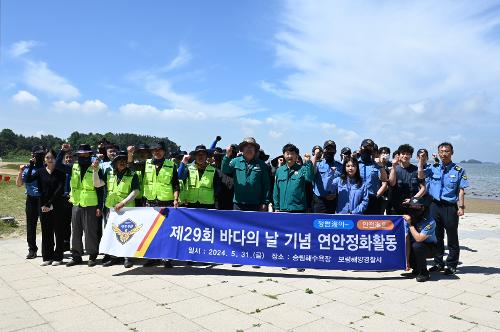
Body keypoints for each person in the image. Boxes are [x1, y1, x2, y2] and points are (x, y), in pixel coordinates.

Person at [421, 142, 469, 275]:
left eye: (446, 151)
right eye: (441, 151)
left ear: (452, 153)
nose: (444, 153)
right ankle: (438, 262)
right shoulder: (433, 168)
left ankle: (451, 264)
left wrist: (461, 207)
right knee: (437, 236)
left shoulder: (459, 170)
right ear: (438, 153)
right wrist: (422, 161)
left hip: (449, 207)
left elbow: (461, 190)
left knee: (452, 236)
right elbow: (420, 176)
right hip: (434, 205)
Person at [56, 143, 103, 267]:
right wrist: (62, 151)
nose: (83, 155)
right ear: (78, 155)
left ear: (89, 154)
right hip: (76, 203)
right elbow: (58, 165)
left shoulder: (96, 167)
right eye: (81, 154)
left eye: (86, 153)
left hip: (91, 204)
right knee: (76, 231)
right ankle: (76, 256)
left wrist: (99, 206)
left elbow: (100, 189)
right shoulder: (73, 167)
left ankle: (92, 255)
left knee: (90, 232)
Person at [93, 151, 139, 268]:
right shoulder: (109, 174)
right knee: (112, 233)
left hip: (126, 209)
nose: (122, 162)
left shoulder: (132, 174)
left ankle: (127, 257)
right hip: (111, 209)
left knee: (127, 233)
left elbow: (135, 191)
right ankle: (114, 257)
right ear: (115, 163)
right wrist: (94, 171)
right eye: (119, 160)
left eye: (124, 160)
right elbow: (97, 184)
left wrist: (123, 203)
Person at [142, 140, 180, 268]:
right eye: (154, 150)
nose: (157, 152)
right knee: (151, 231)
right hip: (151, 203)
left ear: (164, 151)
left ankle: (166, 258)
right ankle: (153, 257)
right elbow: (130, 166)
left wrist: (175, 199)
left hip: (166, 203)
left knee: (166, 231)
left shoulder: (171, 165)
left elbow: (176, 184)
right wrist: (130, 154)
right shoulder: (146, 164)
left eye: (159, 150)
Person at [26, 149, 67, 266]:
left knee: (58, 231)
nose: (49, 159)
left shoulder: (60, 172)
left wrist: (50, 203)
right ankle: (47, 257)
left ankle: (58, 257)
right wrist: (31, 165)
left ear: (55, 158)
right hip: (43, 204)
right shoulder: (40, 172)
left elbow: (60, 189)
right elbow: (28, 180)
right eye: (47, 157)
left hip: (57, 204)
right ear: (44, 159)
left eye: (52, 157)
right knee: (46, 231)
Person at [221, 137, 270, 211]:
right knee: (237, 223)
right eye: (246, 147)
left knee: (254, 223)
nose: (249, 149)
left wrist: (264, 202)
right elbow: (225, 170)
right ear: (242, 149)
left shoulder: (262, 165)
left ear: (255, 150)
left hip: (256, 204)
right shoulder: (235, 161)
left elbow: (266, 185)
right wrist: (227, 156)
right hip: (238, 204)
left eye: (251, 147)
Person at [16, 145, 45, 259]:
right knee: (31, 226)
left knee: (46, 225)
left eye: (41, 155)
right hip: (31, 200)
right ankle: (32, 249)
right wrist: (20, 171)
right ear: (32, 155)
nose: (39, 157)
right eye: (37, 154)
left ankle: (47, 248)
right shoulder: (27, 168)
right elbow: (19, 184)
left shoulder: (46, 168)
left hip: (43, 199)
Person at [401, 197, 437, 282]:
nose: (414, 209)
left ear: (423, 207)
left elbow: (419, 238)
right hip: (415, 244)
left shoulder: (429, 221)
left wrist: (410, 225)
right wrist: (406, 261)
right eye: (412, 207)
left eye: (417, 207)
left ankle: (424, 272)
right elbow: (407, 239)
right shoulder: (409, 218)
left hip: (431, 247)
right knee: (407, 245)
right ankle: (416, 268)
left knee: (417, 245)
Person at [273, 144, 314, 213]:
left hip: (298, 209)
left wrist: (308, 162)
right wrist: (276, 206)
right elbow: (276, 189)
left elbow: (309, 178)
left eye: (292, 154)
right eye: (287, 154)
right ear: (284, 155)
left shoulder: (302, 169)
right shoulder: (279, 170)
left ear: (297, 156)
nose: (290, 156)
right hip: (282, 209)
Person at [388, 144, 426, 215]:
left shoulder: (416, 170)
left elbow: (423, 189)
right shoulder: (394, 169)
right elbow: (392, 183)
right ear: (398, 155)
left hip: (412, 206)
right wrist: (393, 166)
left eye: (408, 154)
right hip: (396, 207)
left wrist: (412, 201)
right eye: (403, 154)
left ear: (411, 156)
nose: (405, 156)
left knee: (413, 225)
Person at [179, 145, 220, 209]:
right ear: (195, 157)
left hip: (208, 205)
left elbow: (217, 188)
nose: (200, 157)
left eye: (203, 155)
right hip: (191, 204)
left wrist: (216, 205)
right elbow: (180, 177)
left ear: (206, 156)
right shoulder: (189, 168)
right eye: (198, 155)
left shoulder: (213, 170)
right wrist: (183, 162)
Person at [357, 139, 388, 214]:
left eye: (370, 148)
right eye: (365, 147)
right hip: (357, 198)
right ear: (360, 148)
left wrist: (381, 166)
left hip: (372, 199)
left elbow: (384, 179)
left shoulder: (377, 164)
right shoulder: (355, 163)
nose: (367, 150)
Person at [312, 140, 343, 214]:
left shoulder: (340, 166)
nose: (329, 151)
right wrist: (315, 156)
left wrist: (336, 194)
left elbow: (342, 182)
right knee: (318, 223)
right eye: (327, 149)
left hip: (334, 201)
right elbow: (311, 174)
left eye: (332, 149)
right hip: (320, 201)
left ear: (335, 151)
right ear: (323, 150)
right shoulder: (318, 164)